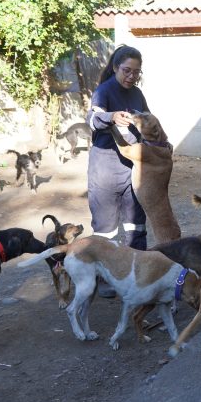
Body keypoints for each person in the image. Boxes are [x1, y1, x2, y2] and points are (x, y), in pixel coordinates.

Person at [85, 46, 149, 295]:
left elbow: (148, 121)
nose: (131, 76)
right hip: (105, 167)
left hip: (132, 167)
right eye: (126, 70)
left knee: (136, 225)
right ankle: (105, 279)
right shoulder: (104, 91)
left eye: (136, 72)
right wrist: (111, 117)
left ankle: (140, 272)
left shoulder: (137, 94)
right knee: (106, 227)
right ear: (115, 67)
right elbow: (92, 119)